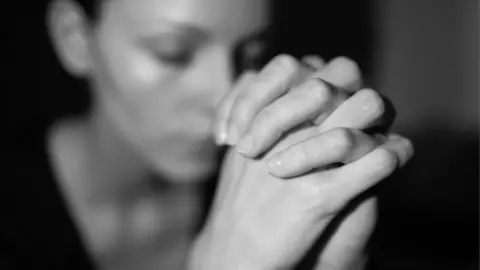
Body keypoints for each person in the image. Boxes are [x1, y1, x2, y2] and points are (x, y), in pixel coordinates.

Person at [4, 0, 413, 269]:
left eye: (251, 52)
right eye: (173, 53)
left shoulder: (274, 193)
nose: (223, 93)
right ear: (73, 37)